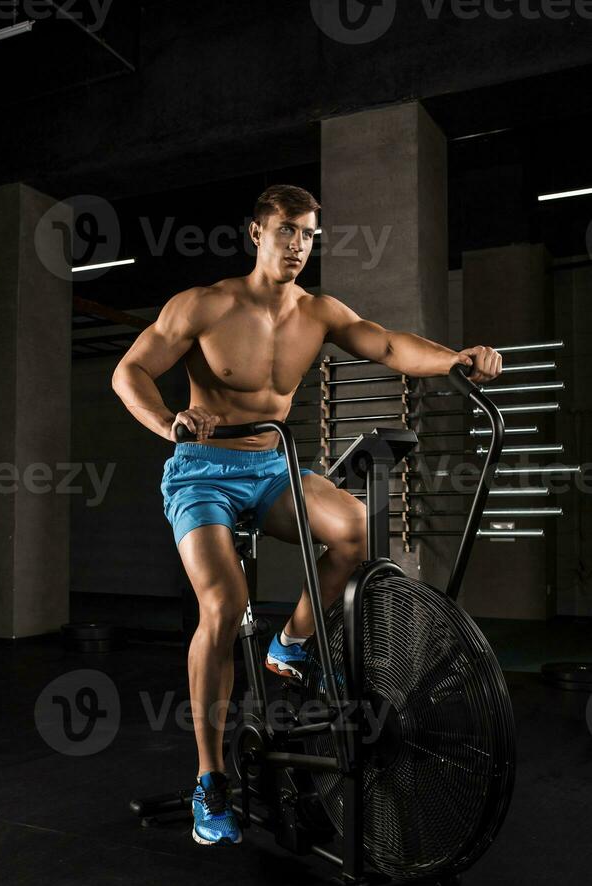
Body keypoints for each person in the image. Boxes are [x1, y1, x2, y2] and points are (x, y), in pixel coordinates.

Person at [111, 184, 502, 846]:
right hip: (202, 470)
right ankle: (211, 779)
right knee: (223, 602)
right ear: (256, 234)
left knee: (354, 529)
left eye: (309, 235)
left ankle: (288, 644)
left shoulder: (317, 312)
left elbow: (384, 346)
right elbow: (129, 374)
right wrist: (170, 421)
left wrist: (455, 360)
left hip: (270, 468)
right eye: (288, 231)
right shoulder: (205, 304)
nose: (298, 246)